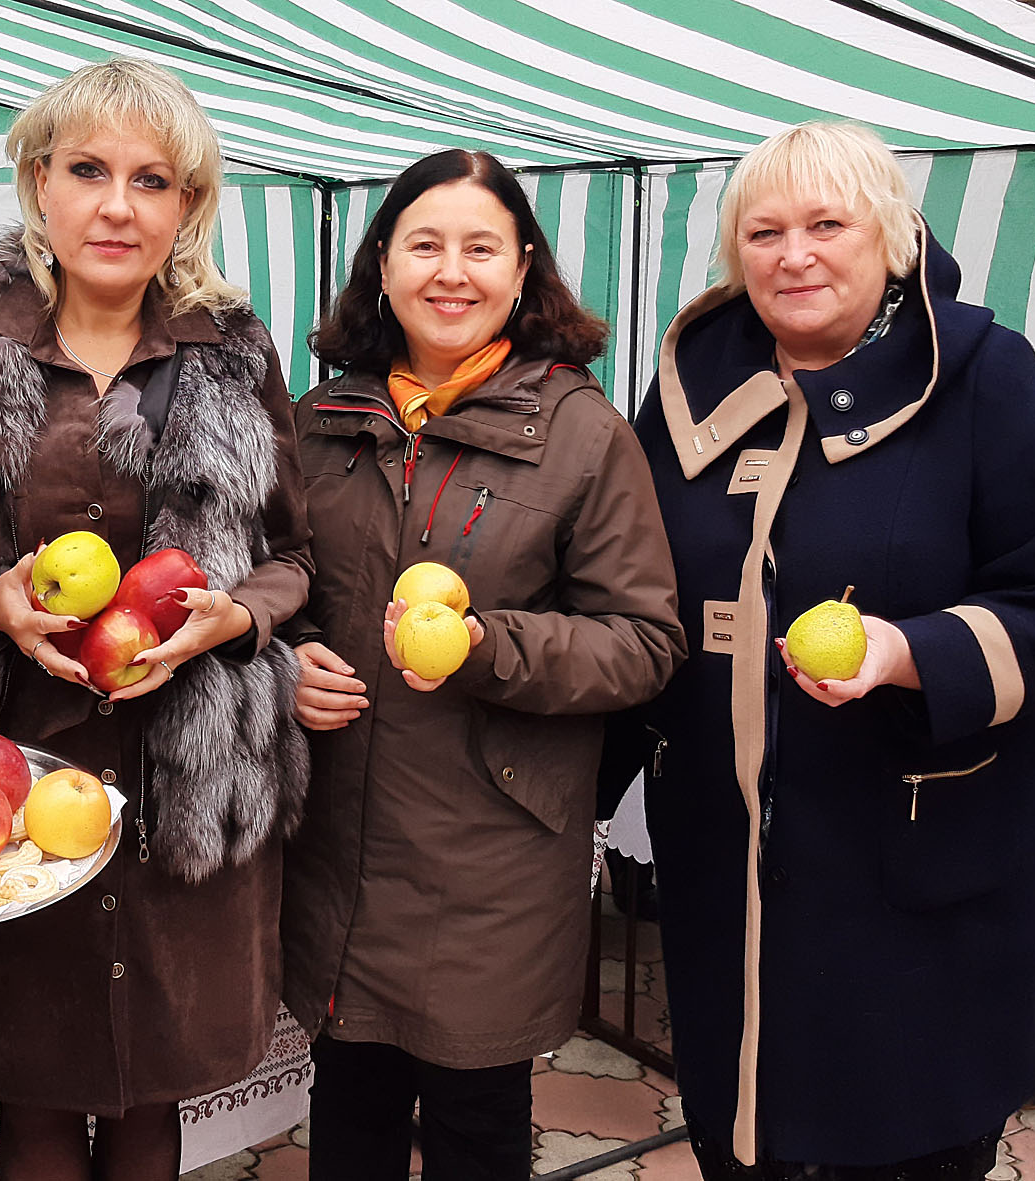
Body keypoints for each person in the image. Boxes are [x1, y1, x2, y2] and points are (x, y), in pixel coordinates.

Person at [627, 121, 1035, 1179]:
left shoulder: (982, 374)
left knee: (902, 1145)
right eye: (763, 231)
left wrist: (909, 652)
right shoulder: (686, 392)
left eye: (826, 225)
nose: (792, 254)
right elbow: (628, 595)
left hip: (915, 890)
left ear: (892, 237)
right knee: (740, 1140)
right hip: (725, 880)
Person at [0, 58, 311, 1179]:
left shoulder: (234, 352)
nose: (116, 206)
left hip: (188, 781)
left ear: (187, 204)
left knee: (150, 1089)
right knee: (34, 1081)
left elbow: (293, 556)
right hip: (14, 778)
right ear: (39, 182)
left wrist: (233, 618)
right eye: (87, 171)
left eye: (151, 180)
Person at [279, 148, 686, 1180]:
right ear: (382, 264)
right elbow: (276, 583)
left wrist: (486, 645)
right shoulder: (319, 422)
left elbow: (644, 641)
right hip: (338, 846)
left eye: (480, 247)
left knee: (474, 1124)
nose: (450, 272)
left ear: (521, 269)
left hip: (490, 855)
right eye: (424, 245)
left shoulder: (582, 435)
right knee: (349, 1116)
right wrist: (284, 659)